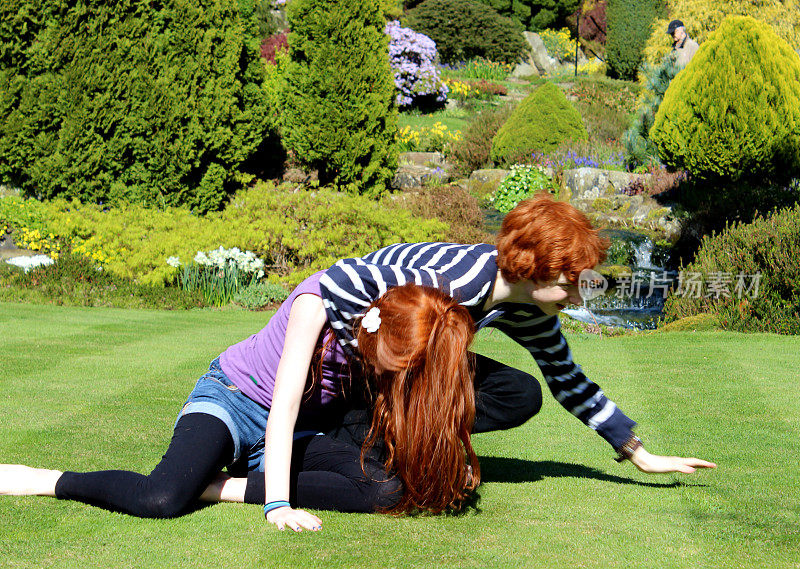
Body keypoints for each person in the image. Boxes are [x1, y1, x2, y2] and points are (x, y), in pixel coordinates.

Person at [0, 279, 480, 531]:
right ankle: (42, 479)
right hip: (235, 400)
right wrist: (276, 504)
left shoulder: (401, 335)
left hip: (297, 433)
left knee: (386, 491)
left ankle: (215, 488)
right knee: (161, 499)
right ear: (374, 323)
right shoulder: (317, 306)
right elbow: (283, 404)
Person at [318, 193, 716, 476]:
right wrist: (370, 358)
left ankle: (411, 434)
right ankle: (362, 430)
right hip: (348, 356)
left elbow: (569, 381)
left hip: (419, 354)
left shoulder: (533, 309)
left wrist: (639, 454)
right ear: (532, 266)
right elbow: (340, 280)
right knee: (426, 365)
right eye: (569, 284)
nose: (579, 296)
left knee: (520, 393)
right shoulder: (456, 280)